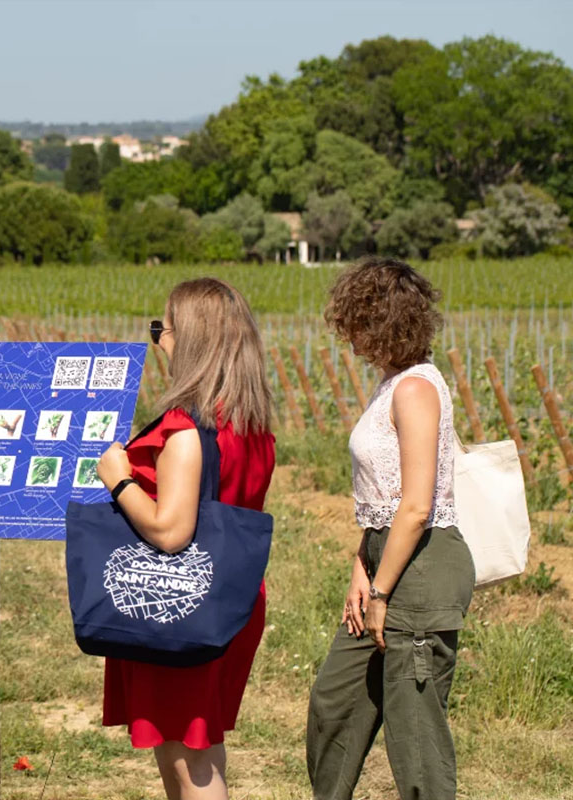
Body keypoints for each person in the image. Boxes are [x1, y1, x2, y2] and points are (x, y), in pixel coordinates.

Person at [95, 278, 275, 800]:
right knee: (200, 742)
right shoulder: (249, 422)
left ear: (190, 339)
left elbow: (169, 530)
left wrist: (119, 478)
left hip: (175, 601)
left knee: (185, 760)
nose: (159, 342)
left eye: (162, 329)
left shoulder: (186, 431)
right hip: (231, 597)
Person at [307, 258, 474, 800]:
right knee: (334, 703)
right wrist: (363, 564)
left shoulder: (416, 390)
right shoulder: (391, 384)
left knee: (416, 738)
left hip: (421, 572)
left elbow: (417, 505)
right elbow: (383, 495)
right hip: (386, 559)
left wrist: (381, 589)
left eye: (357, 325)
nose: (350, 339)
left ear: (385, 324)